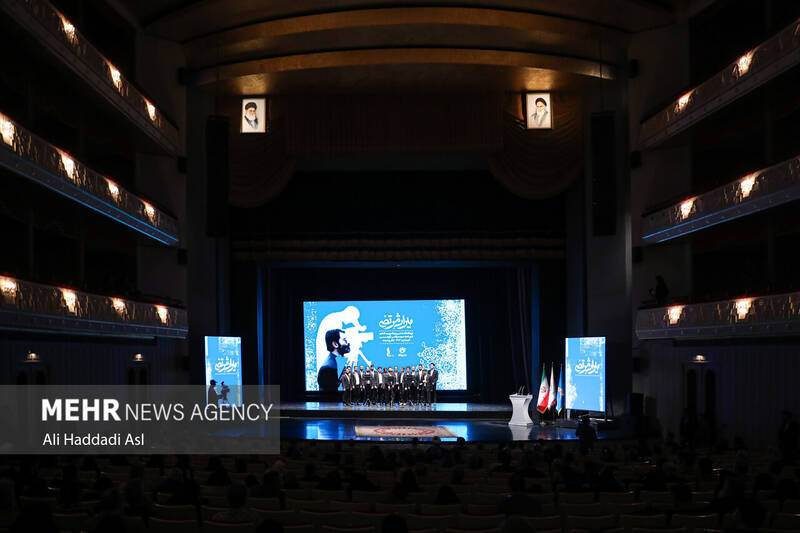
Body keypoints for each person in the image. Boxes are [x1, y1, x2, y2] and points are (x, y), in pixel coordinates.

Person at [317, 329, 350, 393]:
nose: (347, 343)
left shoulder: (335, 362)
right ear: (335, 344)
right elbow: (330, 396)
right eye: (344, 340)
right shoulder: (328, 368)